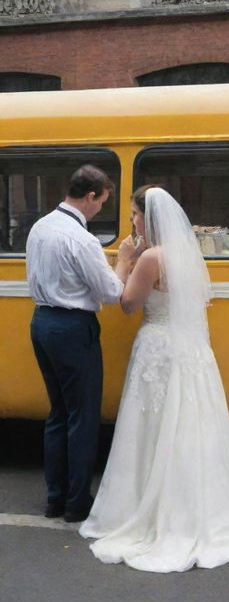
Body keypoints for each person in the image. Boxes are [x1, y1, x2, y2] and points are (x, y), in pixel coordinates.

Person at [79, 185, 229, 573]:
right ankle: (198, 504)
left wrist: (124, 261)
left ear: (147, 218)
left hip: (158, 347)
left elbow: (127, 304)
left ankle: (148, 507)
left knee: (152, 428)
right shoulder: (188, 252)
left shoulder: (151, 257)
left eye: (135, 215)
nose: (133, 221)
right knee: (191, 425)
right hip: (190, 349)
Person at [26, 165, 137, 523]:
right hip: (73, 327)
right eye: (101, 202)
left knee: (57, 414)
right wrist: (123, 262)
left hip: (42, 321)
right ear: (90, 196)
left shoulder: (40, 227)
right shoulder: (82, 239)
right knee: (82, 417)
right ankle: (77, 503)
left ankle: (55, 498)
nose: (100, 209)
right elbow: (111, 292)